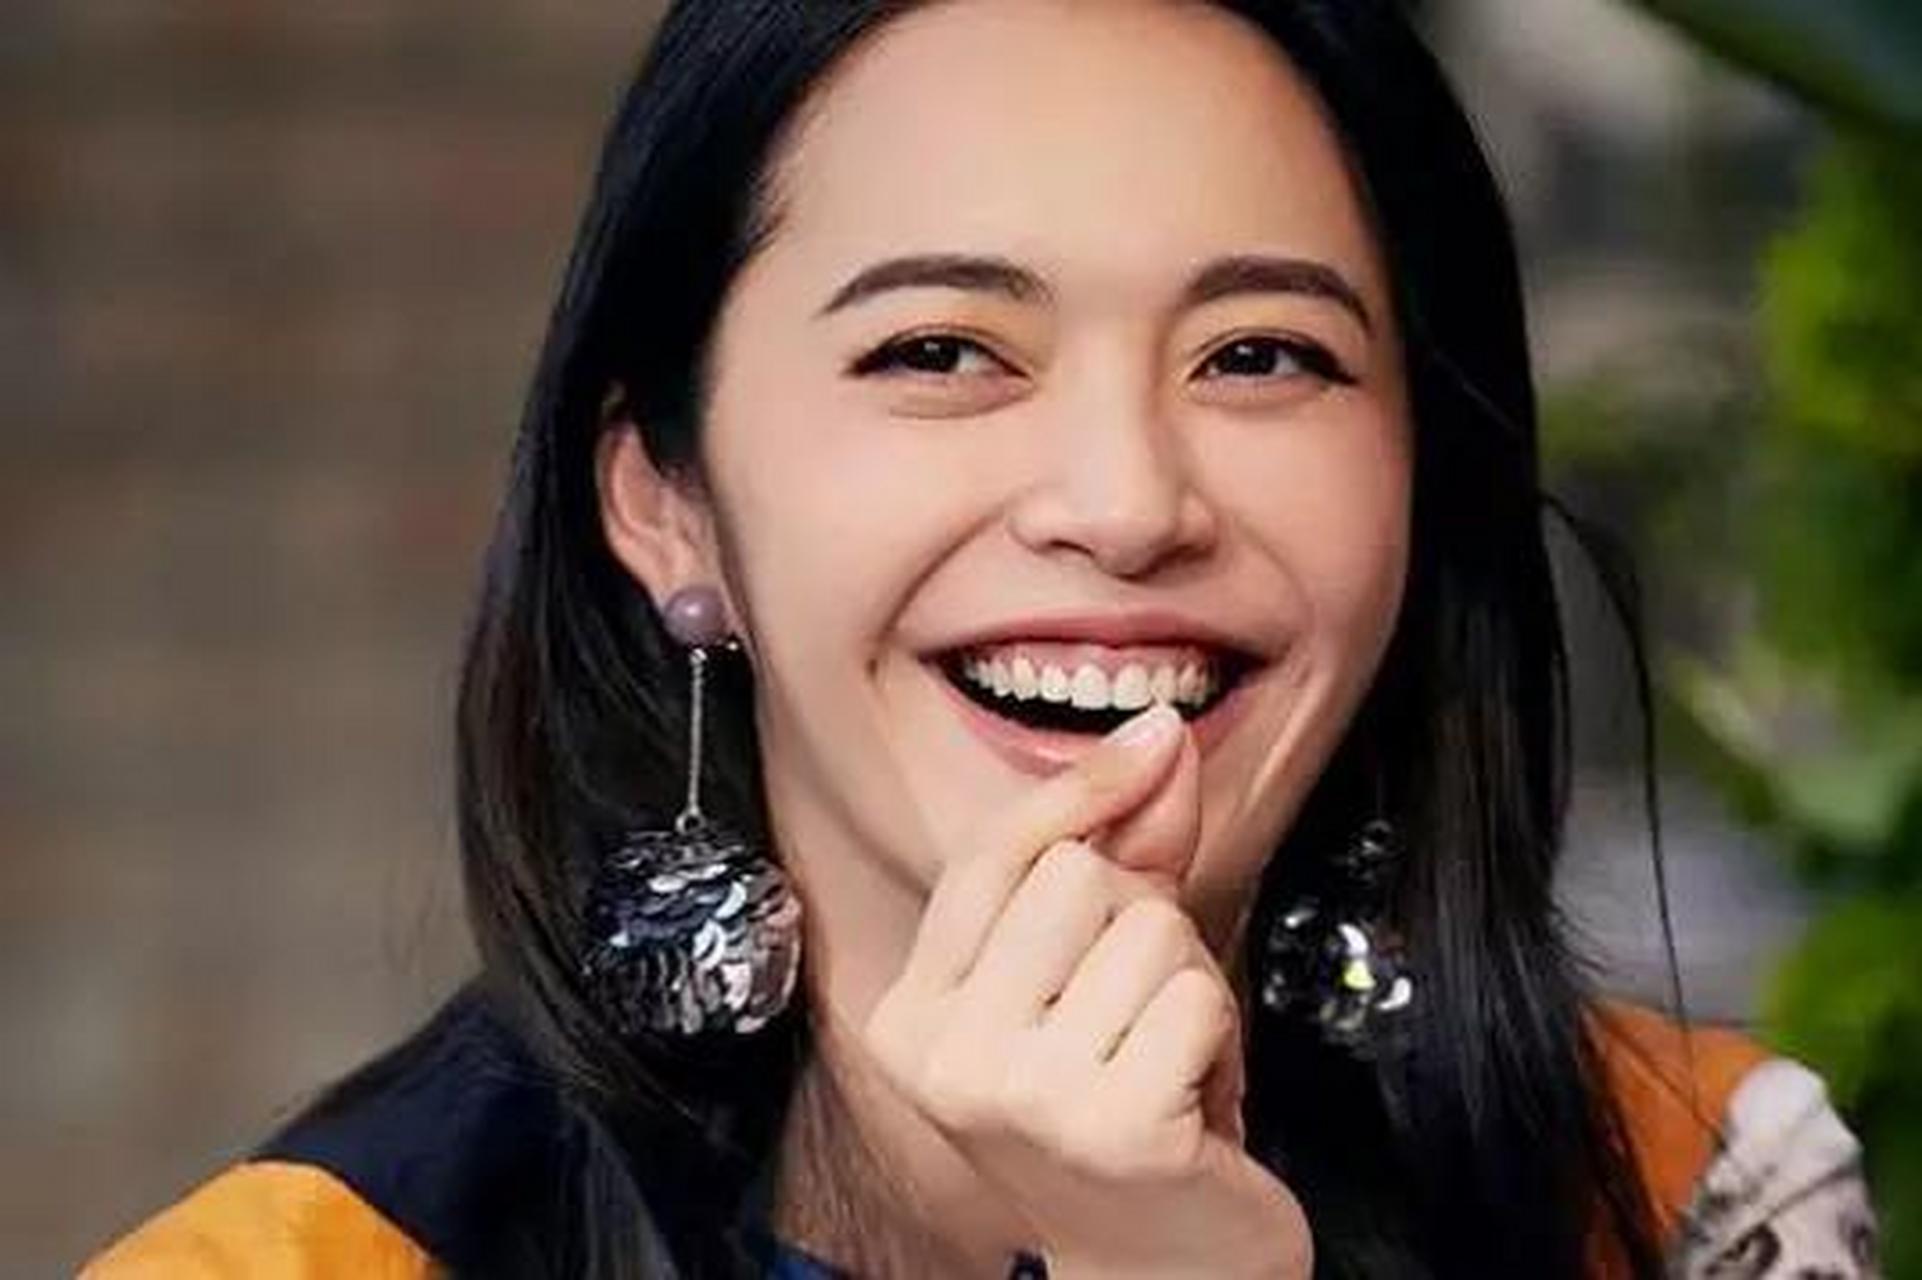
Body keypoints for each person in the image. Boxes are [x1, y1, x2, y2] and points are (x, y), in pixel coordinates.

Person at [86, 1, 1877, 1276]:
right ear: (666, 502)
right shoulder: (305, 1260)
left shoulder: (1692, 1191)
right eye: (940, 351)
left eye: (1262, 355)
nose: (1126, 501)